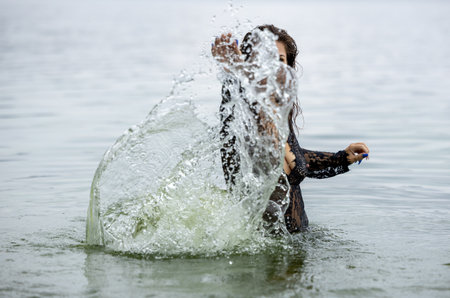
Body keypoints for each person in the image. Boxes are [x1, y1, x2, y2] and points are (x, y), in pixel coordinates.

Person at [212, 25, 370, 233]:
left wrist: (341, 158)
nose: (273, 70)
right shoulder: (241, 123)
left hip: (297, 248)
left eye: (280, 62)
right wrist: (233, 74)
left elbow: (298, 162)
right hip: (266, 259)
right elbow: (239, 111)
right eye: (264, 62)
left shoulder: (279, 119)